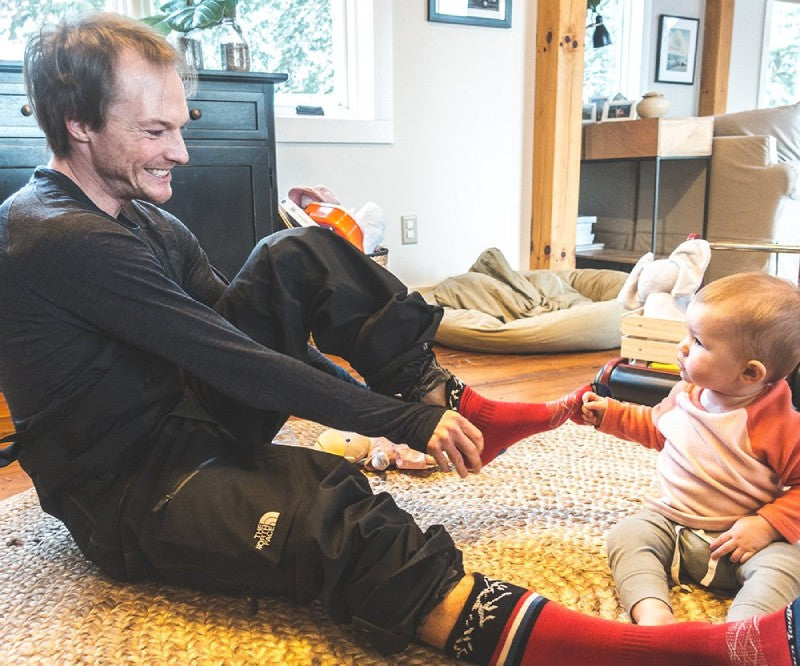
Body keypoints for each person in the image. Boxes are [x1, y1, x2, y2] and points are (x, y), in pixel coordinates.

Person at [0, 13, 798, 665]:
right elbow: (231, 361)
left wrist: (397, 410)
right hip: (135, 491)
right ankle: (661, 655)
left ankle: (461, 400)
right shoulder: (58, 239)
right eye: (153, 132)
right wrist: (396, 424)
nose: (179, 150)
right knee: (335, 518)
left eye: (180, 125)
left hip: (188, 416)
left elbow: (234, 339)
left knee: (297, 253)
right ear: (77, 125)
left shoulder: (142, 213)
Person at [580, 272, 800, 627]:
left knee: (787, 566)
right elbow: (657, 429)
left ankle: (744, 632)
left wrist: (766, 525)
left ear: (750, 373)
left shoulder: (781, 426)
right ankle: (652, 613)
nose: (682, 346)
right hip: (671, 526)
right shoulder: (684, 394)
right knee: (628, 534)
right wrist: (611, 415)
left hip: (740, 544)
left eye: (698, 342)